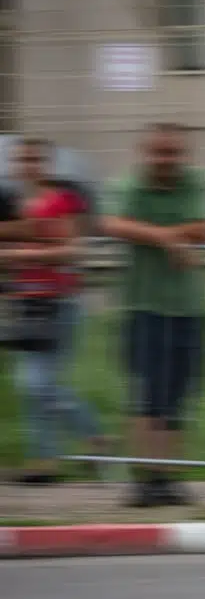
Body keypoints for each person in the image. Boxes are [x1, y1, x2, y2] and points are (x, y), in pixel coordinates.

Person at [100, 122, 205, 508]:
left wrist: (163, 234)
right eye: (158, 153)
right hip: (144, 306)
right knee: (148, 396)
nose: (166, 160)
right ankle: (144, 479)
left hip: (191, 308)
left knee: (179, 395)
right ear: (144, 152)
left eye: (172, 153)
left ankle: (168, 477)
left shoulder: (195, 182)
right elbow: (112, 223)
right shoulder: (129, 185)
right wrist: (168, 238)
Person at [1, 137, 107, 484]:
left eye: (35, 160)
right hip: (26, 302)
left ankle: (93, 438)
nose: (28, 167)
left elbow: (72, 252)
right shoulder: (16, 206)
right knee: (34, 385)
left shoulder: (64, 200)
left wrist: (17, 256)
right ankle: (45, 462)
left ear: (48, 164)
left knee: (37, 383)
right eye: (22, 160)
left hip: (59, 301)